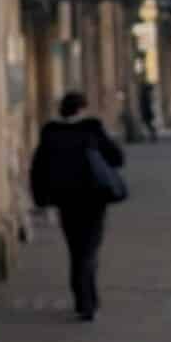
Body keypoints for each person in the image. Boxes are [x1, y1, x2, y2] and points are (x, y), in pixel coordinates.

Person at [30, 91, 126, 322]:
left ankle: (83, 297)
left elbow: (38, 168)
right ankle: (87, 301)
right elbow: (117, 158)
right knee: (89, 249)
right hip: (93, 200)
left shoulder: (51, 133)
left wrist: (41, 199)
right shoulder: (91, 130)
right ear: (82, 109)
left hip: (66, 201)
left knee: (75, 249)